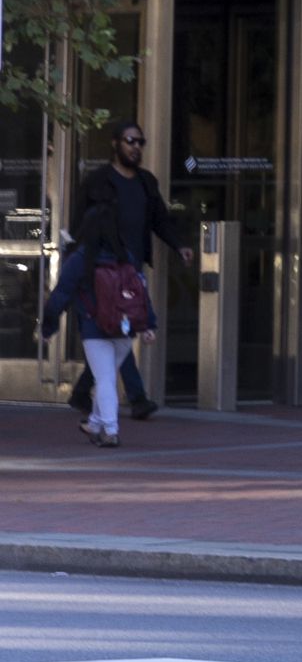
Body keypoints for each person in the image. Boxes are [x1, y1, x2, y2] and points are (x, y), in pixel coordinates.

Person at [63, 125, 188, 445]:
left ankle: (90, 405)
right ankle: (118, 414)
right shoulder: (97, 181)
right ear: (116, 144)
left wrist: (178, 245)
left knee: (118, 341)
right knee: (114, 336)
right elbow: (78, 223)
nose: (136, 148)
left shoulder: (146, 183)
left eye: (141, 143)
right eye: (131, 142)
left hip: (132, 275)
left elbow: (160, 219)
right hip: (101, 273)